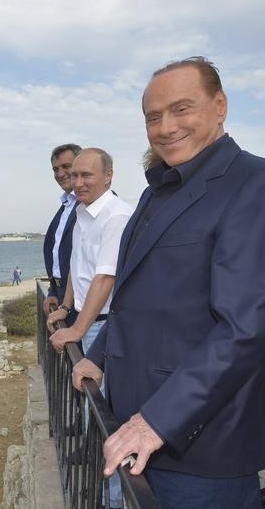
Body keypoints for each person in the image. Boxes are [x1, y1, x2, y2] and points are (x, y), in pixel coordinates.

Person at [72, 57, 265, 508]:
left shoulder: (252, 184)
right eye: (153, 117)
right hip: (135, 425)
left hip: (202, 449)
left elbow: (245, 328)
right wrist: (97, 356)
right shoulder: (156, 191)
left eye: (182, 109)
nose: (165, 127)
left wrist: (156, 421)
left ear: (220, 106)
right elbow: (133, 296)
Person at [46, 148, 132, 509]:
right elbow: (76, 268)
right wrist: (66, 306)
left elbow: (105, 278)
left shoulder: (117, 216)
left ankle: (111, 500)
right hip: (86, 321)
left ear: (108, 176)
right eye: (74, 176)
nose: (77, 182)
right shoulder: (83, 212)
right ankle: (98, 492)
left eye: (86, 176)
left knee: (105, 421)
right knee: (90, 419)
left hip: (103, 328)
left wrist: (77, 329)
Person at [42, 144, 82, 314]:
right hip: (61, 296)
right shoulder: (66, 206)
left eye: (66, 166)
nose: (59, 174)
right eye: (55, 169)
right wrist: (53, 290)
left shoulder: (94, 203)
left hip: (82, 300)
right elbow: (56, 251)